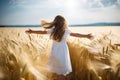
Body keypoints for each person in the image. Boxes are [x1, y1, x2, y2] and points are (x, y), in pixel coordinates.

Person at [25, 15, 93, 80]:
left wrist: (31, 31)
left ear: (55, 23)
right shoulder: (66, 31)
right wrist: (86, 36)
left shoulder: (53, 31)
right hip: (63, 51)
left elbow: (42, 32)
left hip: (55, 51)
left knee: (59, 71)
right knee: (61, 71)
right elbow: (77, 35)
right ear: (64, 23)